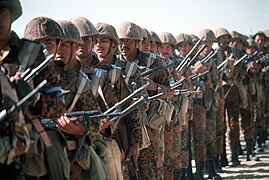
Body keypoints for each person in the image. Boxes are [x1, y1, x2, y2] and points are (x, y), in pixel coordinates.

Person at [116, 21, 170, 179]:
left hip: (149, 125)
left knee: (151, 169)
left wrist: (154, 86)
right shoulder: (115, 64)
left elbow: (170, 93)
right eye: (121, 41)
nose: (124, 45)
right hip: (124, 126)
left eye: (128, 41)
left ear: (138, 42)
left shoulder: (154, 62)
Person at [55, 20, 108, 180]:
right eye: (54, 43)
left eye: (64, 44)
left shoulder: (86, 78)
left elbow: (98, 119)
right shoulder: (34, 77)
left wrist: (81, 130)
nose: (59, 49)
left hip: (78, 152)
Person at [23, 16, 70, 180]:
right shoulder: (12, 65)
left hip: (41, 131)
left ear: (57, 46)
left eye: (49, 42)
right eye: (37, 42)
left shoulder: (52, 73)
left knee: (53, 146)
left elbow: (58, 107)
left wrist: (32, 96)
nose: (42, 48)